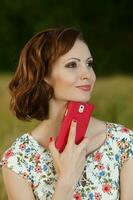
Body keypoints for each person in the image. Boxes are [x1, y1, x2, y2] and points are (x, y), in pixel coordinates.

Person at [1, 27, 133, 200]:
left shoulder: (123, 143)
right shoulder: (18, 160)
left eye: (89, 63)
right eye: (72, 65)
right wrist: (66, 181)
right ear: (44, 75)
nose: (88, 74)